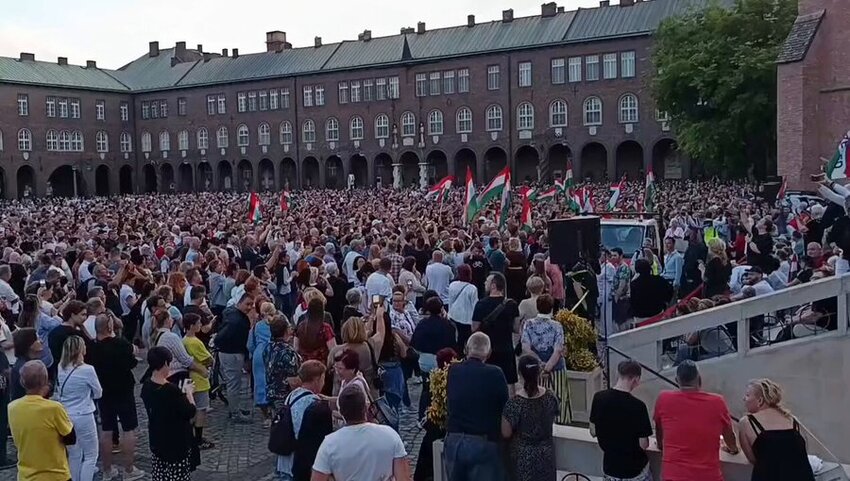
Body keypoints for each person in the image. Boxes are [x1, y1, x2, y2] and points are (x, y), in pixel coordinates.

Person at [653, 361, 739, 481]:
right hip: (707, 476)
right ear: (699, 379)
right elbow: (729, 436)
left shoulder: (663, 399)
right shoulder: (717, 402)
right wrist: (734, 449)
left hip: (673, 475)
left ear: (677, 380)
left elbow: (658, 428)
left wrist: (661, 445)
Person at [444, 332, 509, 481]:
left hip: (455, 441)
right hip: (482, 442)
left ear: (467, 349)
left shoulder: (454, 370)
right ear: (489, 353)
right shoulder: (495, 374)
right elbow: (505, 408)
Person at [87, 314, 145, 480]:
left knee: (106, 430)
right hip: (123, 389)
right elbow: (133, 362)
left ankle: (107, 470)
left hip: (103, 391)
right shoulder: (120, 344)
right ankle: (128, 469)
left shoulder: (91, 347)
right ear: (110, 327)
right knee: (128, 429)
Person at [311, 384, 410, 481]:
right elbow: (403, 478)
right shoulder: (390, 435)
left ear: (341, 412)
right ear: (366, 408)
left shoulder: (329, 443)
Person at [9, 360, 76, 480]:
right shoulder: (53, 408)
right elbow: (70, 438)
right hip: (55, 475)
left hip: (26, 476)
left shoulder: (12, 407)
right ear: (45, 382)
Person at [737, 379, 815, 481]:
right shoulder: (792, 419)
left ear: (760, 400)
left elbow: (753, 459)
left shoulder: (747, 422)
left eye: (747, 395)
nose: (744, 399)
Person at [589, 360, 653, 481]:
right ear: (635, 379)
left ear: (619, 375)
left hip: (610, 468)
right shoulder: (638, 406)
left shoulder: (599, 398)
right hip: (634, 471)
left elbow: (593, 431)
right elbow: (643, 444)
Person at [141, 346, 198, 481]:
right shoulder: (171, 391)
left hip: (157, 439)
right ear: (166, 363)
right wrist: (189, 394)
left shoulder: (147, 386)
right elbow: (190, 412)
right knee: (177, 475)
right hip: (176, 443)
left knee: (160, 474)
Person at [501, 354, 559, 481]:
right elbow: (552, 417)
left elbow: (505, 433)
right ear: (538, 373)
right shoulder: (550, 397)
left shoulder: (514, 403)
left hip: (523, 458)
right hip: (546, 456)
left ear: (520, 374)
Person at [275, 360, 333, 481]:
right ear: (317, 379)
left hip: (285, 458)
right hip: (298, 462)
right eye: (323, 378)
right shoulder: (313, 403)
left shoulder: (293, 394)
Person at [56, 335, 102, 481]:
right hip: (83, 414)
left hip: (66, 415)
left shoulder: (60, 367)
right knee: (91, 455)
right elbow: (98, 393)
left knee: (74, 455)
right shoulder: (88, 370)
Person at [519, 294, 568, 423]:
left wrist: (539, 364)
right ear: (552, 308)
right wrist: (547, 367)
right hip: (556, 368)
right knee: (559, 397)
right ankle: (560, 424)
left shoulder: (528, 324)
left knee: (536, 399)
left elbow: (526, 347)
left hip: (535, 368)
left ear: (537, 307)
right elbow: (558, 350)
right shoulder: (557, 326)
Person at [411, 296, 457, 419]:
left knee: (426, 389)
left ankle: (422, 416)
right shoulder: (448, 325)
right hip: (442, 361)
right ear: (441, 309)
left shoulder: (422, 324)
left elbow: (414, 342)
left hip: (425, 361)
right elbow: (453, 344)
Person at [472, 272, 519, 388]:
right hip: (506, 349)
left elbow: (474, 329)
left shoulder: (481, 305)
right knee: (509, 383)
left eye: (487, 281)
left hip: (487, 350)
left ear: (493, 285)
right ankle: (510, 406)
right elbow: (516, 328)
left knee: (486, 383)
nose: (484, 283)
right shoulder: (511, 304)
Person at [215, 293, 255, 423]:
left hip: (229, 352)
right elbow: (224, 336)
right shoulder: (237, 321)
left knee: (234, 383)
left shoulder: (230, 312)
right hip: (232, 353)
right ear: (240, 302)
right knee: (233, 384)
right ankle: (234, 413)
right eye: (247, 304)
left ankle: (235, 408)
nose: (249, 307)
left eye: (251, 305)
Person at [182, 314, 215, 450]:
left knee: (192, 408)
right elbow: (208, 359)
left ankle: (191, 436)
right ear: (191, 326)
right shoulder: (195, 342)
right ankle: (198, 438)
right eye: (198, 323)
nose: (200, 324)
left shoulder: (184, 340)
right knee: (201, 409)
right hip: (200, 379)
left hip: (189, 378)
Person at [248, 302, 274, 426]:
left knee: (260, 383)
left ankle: (266, 415)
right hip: (273, 352)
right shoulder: (277, 324)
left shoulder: (256, 326)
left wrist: (254, 353)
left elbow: (250, 344)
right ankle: (276, 410)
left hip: (259, 354)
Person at [629, 259, 674, 325]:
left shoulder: (634, 284)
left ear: (636, 270)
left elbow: (632, 301)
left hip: (640, 317)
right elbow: (670, 291)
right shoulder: (659, 280)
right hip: (657, 312)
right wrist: (665, 302)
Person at [447, 264, 477, 350]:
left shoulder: (452, 285)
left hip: (453, 315)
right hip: (467, 318)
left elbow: (451, 300)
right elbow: (474, 305)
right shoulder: (472, 288)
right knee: (466, 341)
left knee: (457, 340)